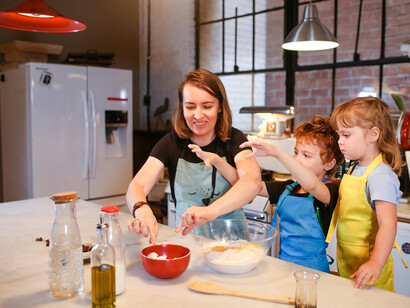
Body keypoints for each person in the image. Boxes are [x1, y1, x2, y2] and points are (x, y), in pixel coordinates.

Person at [192, 115, 344, 272]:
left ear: (329, 163)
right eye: (296, 152)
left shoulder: (328, 192)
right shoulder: (289, 189)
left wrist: (278, 153)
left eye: (306, 155)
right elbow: (248, 183)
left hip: (314, 271)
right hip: (284, 266)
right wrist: (218, 161)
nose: (297, 159)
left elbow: (313, 185)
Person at [126, 69, 262, 244]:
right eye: (190, 107)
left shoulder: (235, 139)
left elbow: (253, 181)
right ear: (182, 107)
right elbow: (137, 185)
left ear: (220, 107)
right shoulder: (171, 142)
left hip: (233, 243)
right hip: (189, 241)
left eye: (207, 106)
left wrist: (212, 211)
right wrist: (142, 210)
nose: (198, 115)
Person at [327, 96, 404, 291]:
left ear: (373, 134)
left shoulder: (380, 176)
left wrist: (376, 263)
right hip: (348, 261)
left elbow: (388, 224)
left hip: (370, 268)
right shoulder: (356, 166)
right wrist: (337, 183)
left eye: (346, 135)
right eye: (338, 135)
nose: (340, 142)